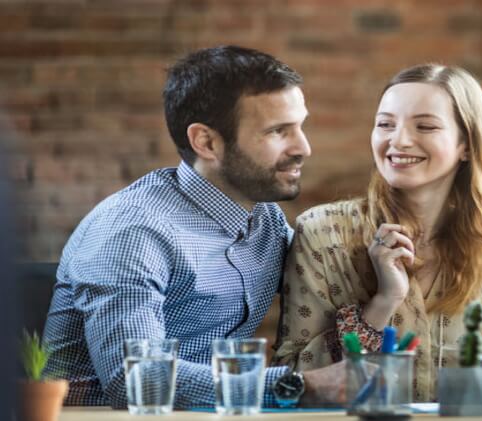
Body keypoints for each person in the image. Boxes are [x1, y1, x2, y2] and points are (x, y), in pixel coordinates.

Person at [42, 45, 346, 408]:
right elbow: (135, 380)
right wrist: (301, 386)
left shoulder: (265, 219)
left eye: (300, 126)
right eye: (278, 131)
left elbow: (327, 284)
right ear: (206, 142)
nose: (303, 148)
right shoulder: (133, 232)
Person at [272, 64, 482, 402]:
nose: (399, 140)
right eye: (385, 124)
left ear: (466, 144)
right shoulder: (321, 233)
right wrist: (384, 300)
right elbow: (292, 380)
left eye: (426, 126)